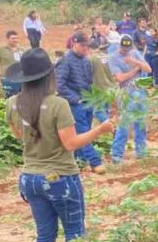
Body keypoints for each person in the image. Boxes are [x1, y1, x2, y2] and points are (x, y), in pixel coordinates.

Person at [4, 48, 114, 242]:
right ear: (48, 76)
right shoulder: (57, 104)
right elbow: (71, 143)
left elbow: (19, 134)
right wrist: (100, 129)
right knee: (74, 233)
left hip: (30, 178)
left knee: (45, 235)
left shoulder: (13, 104)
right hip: (59, 178)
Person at [56, 32, 106, 174]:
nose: (85, 49)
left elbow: (89, 81)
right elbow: (60, 85)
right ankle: (95, 162)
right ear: (74, 43)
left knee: (84, 133)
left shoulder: (86, 60)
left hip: (87, 100)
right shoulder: (65, 60)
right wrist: (75, 99)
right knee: (82, 132)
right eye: (82, 46)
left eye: (87, 46)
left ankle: (80, 162)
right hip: (74, 103)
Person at [109, 35, 152, 164]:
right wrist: (135, 69)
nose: (125, 50)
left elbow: (148, 69)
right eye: (123, 48)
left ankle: (141, 152)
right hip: (126, 94)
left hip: (141, 91)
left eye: (127, 48)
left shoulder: (135, 53)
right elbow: (120, 78)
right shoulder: (114, 58)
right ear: (119, 45)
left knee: (141, 123)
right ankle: (117, 155)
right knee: (125, 124)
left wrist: (137, 62)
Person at [0, 30, 25, 98]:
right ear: (7, 39)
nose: (15, 40)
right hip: (7, 78)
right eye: (13, 38)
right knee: (8, 97)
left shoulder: (21, 50)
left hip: (20, 78)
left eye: (17, 38)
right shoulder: (1, 50)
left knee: (21, 98)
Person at [88, 39, 115, 124]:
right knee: (106, 110)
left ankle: (111, 126)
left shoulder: (91, 59)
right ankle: (107, 130)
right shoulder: (107, 57)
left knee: (97, 112)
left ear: (89, 48)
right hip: (111, 87)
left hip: (99, 88)